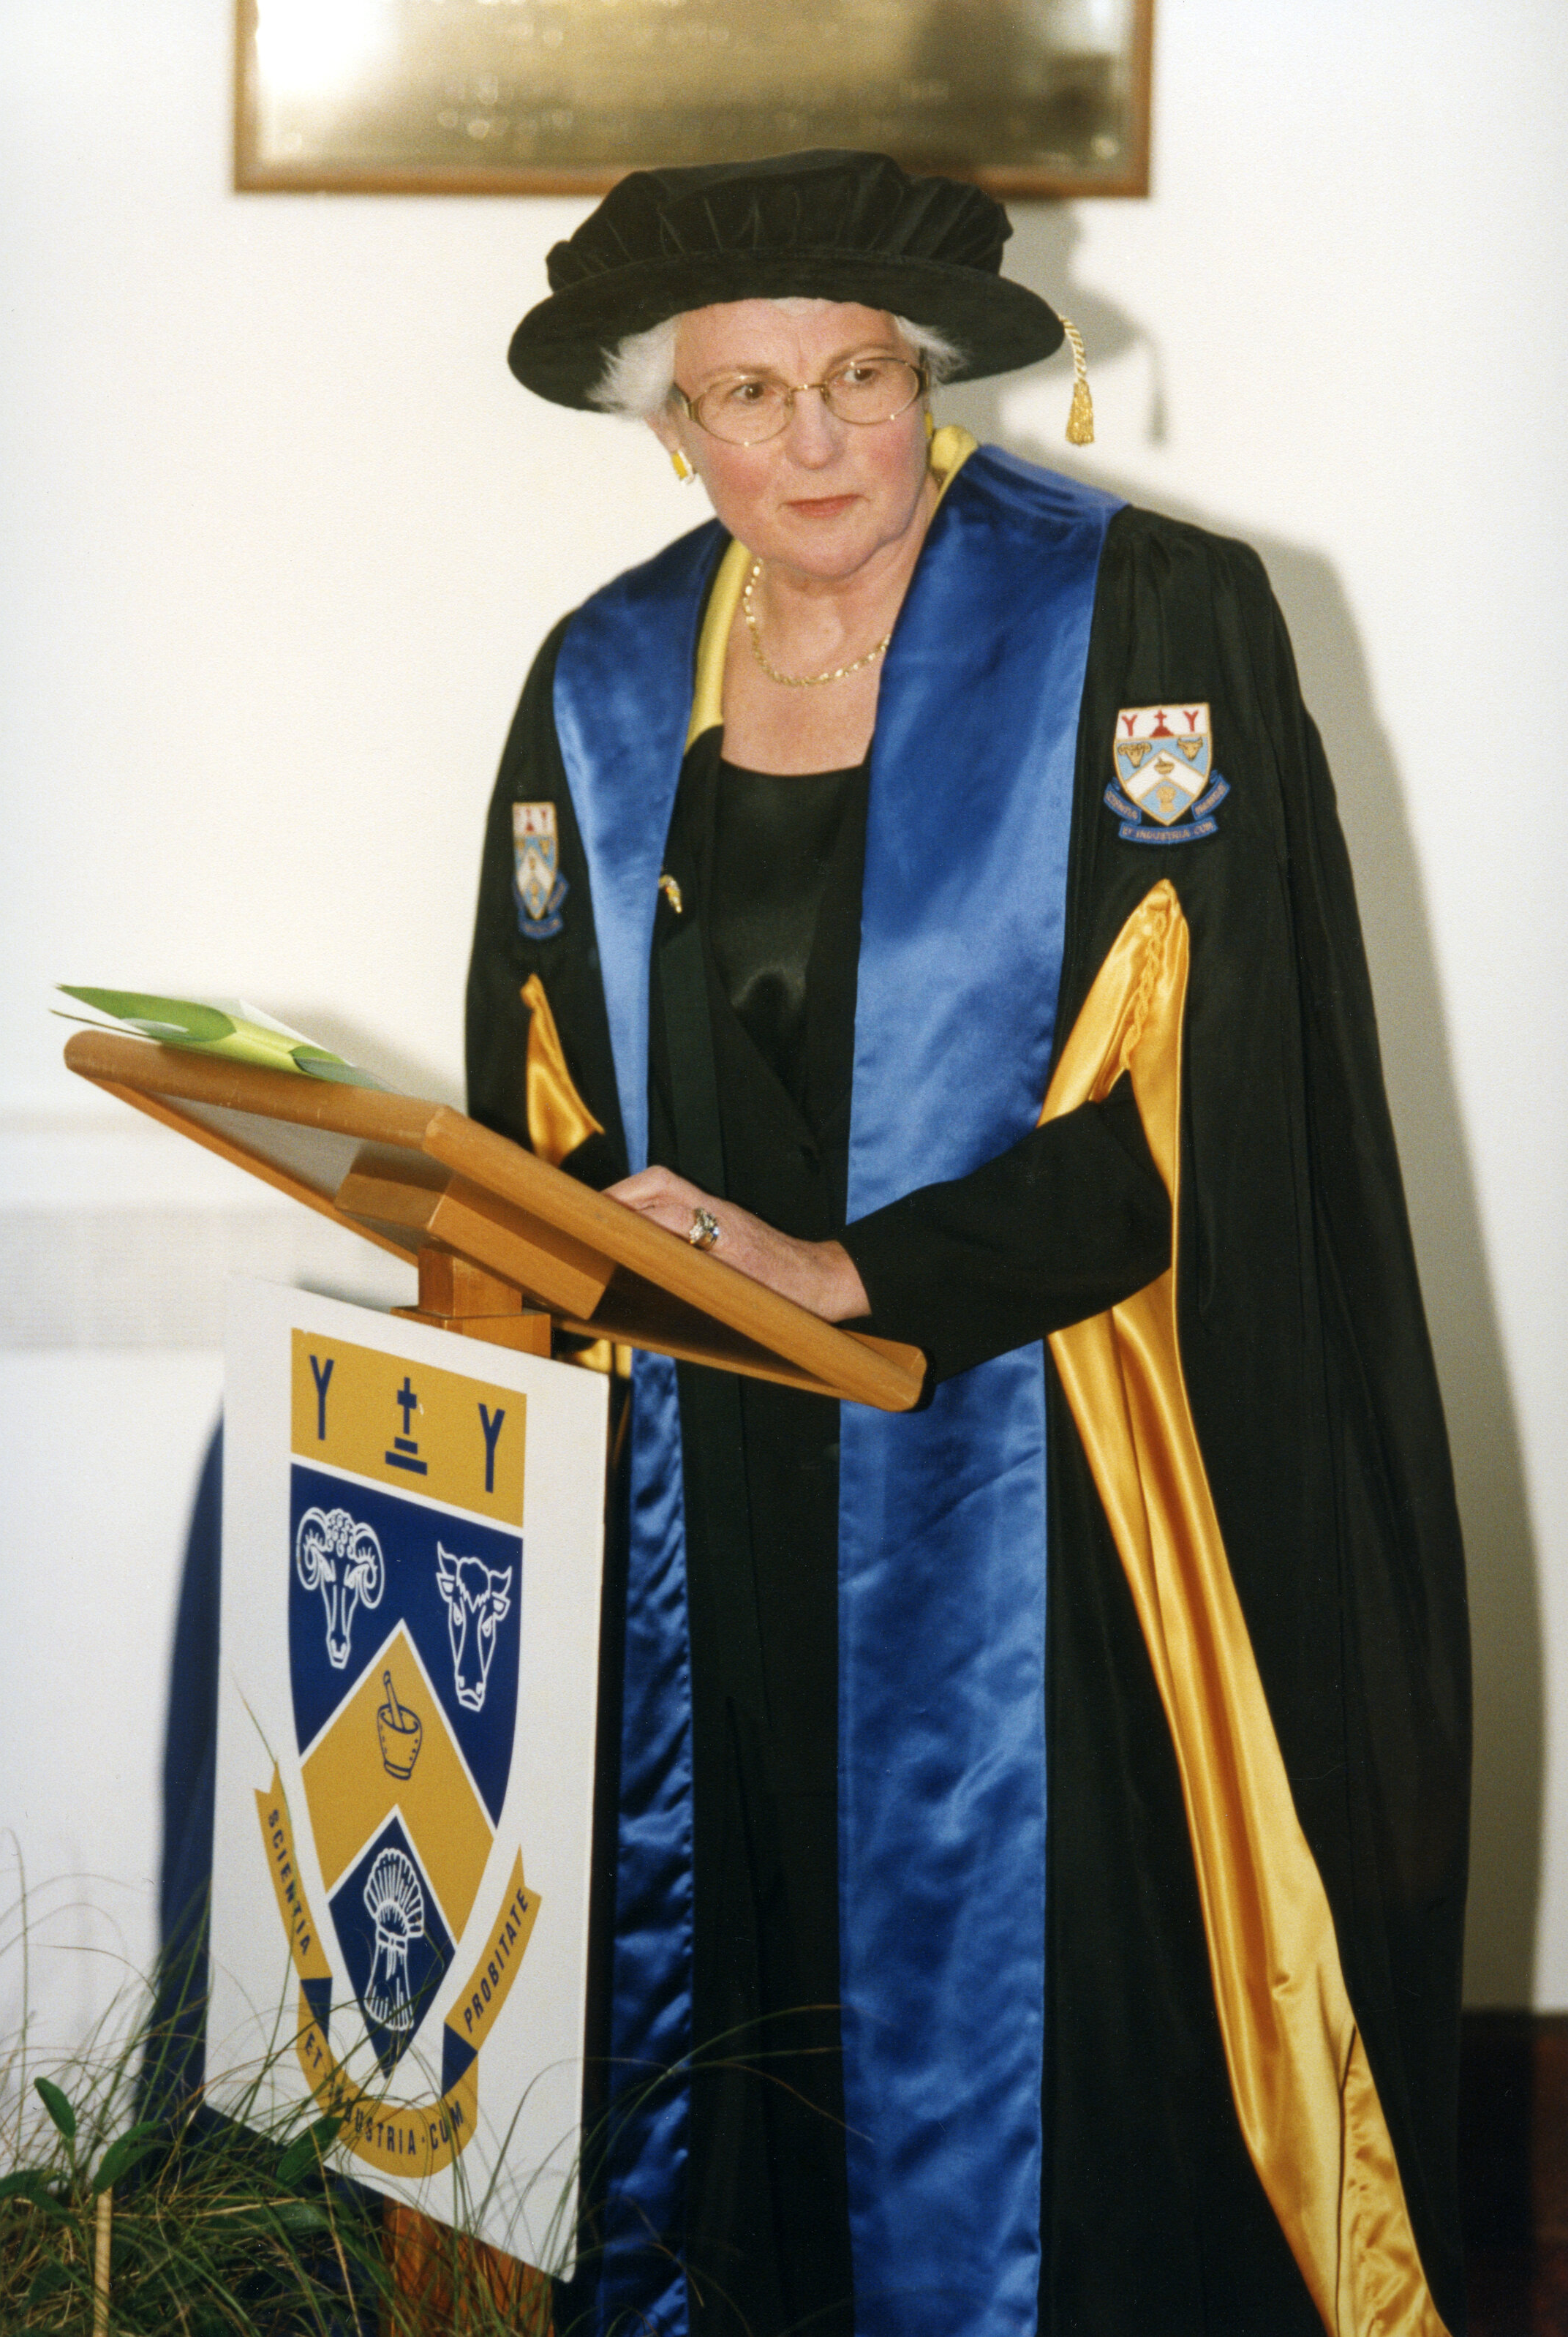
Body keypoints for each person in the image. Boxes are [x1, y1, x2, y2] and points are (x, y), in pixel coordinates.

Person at [467, 151, 1470, 2337]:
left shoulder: (1145, 628)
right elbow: (530, 1106)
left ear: (934, 380)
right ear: (669, 427)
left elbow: (1203, 1112)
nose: (810, 442)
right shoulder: (605, 682)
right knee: (734, 1948)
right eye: (746, 395)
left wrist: (855, 1270)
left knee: (1051, 2020)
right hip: (709, 1486)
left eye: (857, 376)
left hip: (1058, 1462)